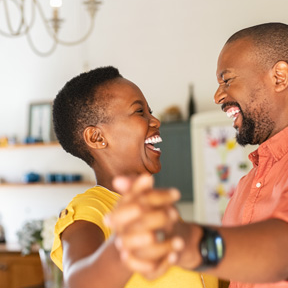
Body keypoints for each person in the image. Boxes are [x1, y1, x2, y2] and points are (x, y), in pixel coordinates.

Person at [106, 23, 288, 287]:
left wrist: (187, 242)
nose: (217, 96)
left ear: (279, 77)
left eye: (227, 79)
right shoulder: (250, 182)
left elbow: (287, 250)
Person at [49, 66, 218, 288]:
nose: (155, 121)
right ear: (97, 137)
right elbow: (79, 281)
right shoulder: (89, 209)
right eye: (140, 112)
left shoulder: (157, 213)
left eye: (150, 111)